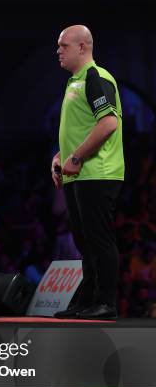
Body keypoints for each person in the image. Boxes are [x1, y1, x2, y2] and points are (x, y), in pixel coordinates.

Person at [51, 25, 124, 320]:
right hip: (79, 174)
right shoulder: (74, 82)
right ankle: (87, 301)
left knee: (99, 239)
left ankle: (105, 303)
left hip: (98, 173)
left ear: (82, 47)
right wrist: (59, 157)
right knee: (84, 241)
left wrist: (77, 157)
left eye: (63, 45)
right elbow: (80, 129)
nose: (58, 50)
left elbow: (108, 123)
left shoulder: (97, 78)